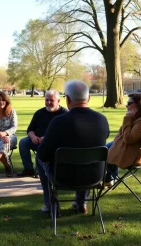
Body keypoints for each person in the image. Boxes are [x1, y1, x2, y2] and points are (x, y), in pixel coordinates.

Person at [37, 80, 109, 215]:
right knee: (87, 157)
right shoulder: (102, 119)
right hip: (95, 177)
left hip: (63, 178)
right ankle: (81, 203)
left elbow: (43, 154)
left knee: (39, 159)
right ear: (89, 98)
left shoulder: (58, 122)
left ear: (68, 99)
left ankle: (52, 206)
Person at [105, 93, 141, 186]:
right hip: (130, 149)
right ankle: (109, 178)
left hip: (133, 156)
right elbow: (122, 134)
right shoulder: (140, 118)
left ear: (139, 105)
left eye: (129, 103)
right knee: (104, 149)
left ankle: (107, 178)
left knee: (101, 153)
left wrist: (127, 119)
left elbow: (128, 139)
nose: (126, 105)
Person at [17, 90, 67, 177]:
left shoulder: (64, 114)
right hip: (37, 140)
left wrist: (47, 139)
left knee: (43, 147)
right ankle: (29, 169)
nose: (48, 102)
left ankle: (42, 171)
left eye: (51, 100)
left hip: (54, 145)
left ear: (58, 101)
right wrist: (33, 137)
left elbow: (65, 134)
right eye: (47, 100)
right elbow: (30, 129)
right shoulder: (39, 113)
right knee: (23, 142)